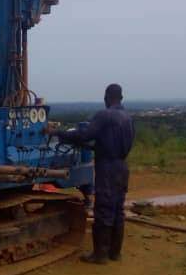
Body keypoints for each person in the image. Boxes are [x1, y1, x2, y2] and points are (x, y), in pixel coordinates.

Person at [48, 84, 135, 264]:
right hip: (122, 166)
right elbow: (107, 143)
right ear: (121, 98)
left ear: (106, 97)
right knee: (117, 209)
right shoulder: (128, 117)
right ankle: (115, 253)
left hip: (107, 168)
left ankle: (100, 255)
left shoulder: (105, 115)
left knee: (103, 209)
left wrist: (57, 133)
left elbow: (84, 135)